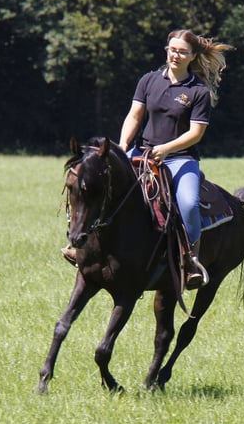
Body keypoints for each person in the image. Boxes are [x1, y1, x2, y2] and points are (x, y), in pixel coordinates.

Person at [63, 29, 234, 289]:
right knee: (104, 189)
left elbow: (195, 133)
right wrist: (122, 147)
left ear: (192, 56)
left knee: (188, 204)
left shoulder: (198, 91)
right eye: (172, 49)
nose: (176, 55)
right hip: (142, 153)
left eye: (182, 52)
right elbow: (134, 116)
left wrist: (166, 149)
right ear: (167, 50)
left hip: (180, 160)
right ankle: (83, 248)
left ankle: (190, 261)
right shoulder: (149, 81)